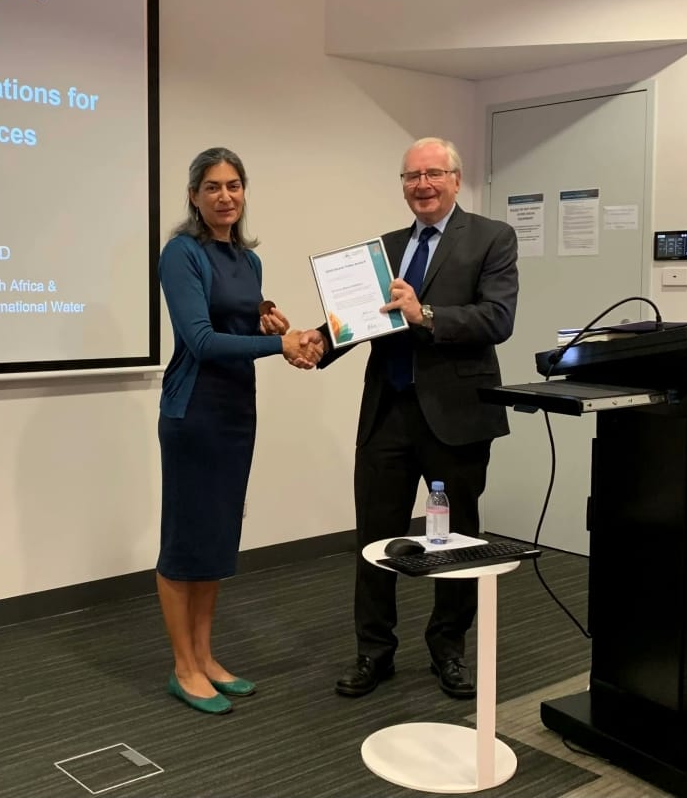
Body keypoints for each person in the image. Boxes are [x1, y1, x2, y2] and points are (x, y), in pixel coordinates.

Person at [298, 137, 518, 700]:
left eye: (432, 174)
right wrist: (312, 344)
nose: (421, 185)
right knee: (375, 539)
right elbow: (358, 322)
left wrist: (428, 315)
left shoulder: (492, 237)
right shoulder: (386, 248)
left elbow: (497, 318)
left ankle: (450, 650)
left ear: (456, 178)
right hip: (387, 416)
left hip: (457, 418)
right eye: (410, 176)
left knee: (458, 541)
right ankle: (374, 651)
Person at [157, 147, 316, 715]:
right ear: (194, 196)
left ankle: (205, 656)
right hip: (193, 412)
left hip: (235, 412)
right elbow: (200, 341)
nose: (225, 196)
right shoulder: (180, 253)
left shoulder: (248, 262)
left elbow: (237, 322)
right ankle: (182, 667)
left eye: (234, 185)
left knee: (218, 537)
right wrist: (279, 343)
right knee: (185, 539)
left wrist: (269, 322)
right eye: (212, 186)